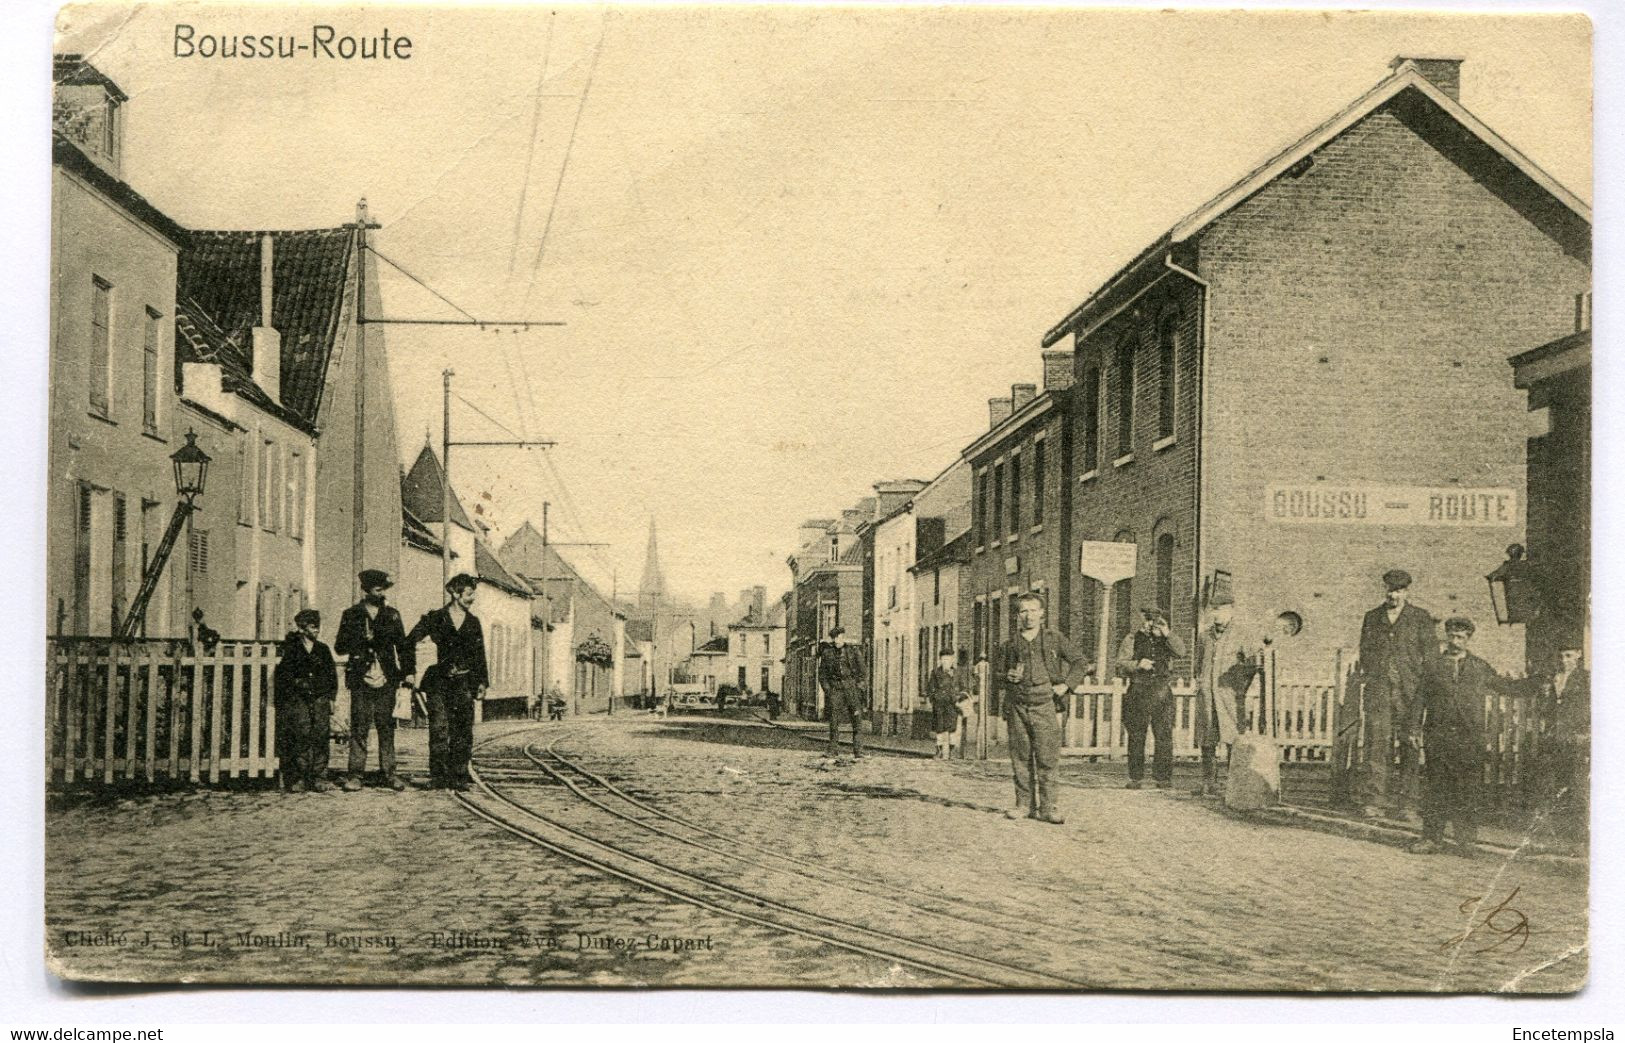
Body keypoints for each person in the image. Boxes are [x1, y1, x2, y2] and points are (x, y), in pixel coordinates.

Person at [997, 592, 1090, 824]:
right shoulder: (1010, 645)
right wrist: (1006, 676)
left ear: (1042, 614)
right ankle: (1023, 805)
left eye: (1033, 610)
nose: (1028, 616)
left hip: (1046, 705)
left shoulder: (1053, 639)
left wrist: (1066, 686)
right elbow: (996, 676)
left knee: (1048, 757)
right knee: (1020, 757)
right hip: (1017, 707)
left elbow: (1080, 662)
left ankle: (1048, 808)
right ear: (1018, 615)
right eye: (1023, 611)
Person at [1411, 617, 1496, 856]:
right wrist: (1413, 729)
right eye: (1452, 636)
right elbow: (1419, 699)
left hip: (1469, 739)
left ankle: (1466, 841)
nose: (1456, 641)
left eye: (1461, 637)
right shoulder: (1433, 665)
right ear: (1446, 637)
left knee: (1467, 790)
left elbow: (1504, 686)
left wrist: (1540, 681)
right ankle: (1431, 838)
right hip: (1438, 736)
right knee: (1436, 788)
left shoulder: (1480, 666)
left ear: (1468, 639)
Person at [1355, 568, 1435, 819]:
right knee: (1377, 745)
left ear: (1406, 591)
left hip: (1409, 694)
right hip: (1379, 692)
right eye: (1390, 589)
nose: (1393, 595)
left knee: (1410, 746)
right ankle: (1375, 801)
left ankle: (1408, 804)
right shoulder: (1372, 617)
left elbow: (1431, 657)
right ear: (1384, 589)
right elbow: (1365, 652)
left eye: (1399, 590)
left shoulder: (1420, 618)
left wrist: (1422, 687)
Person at [334, 569, 415, 792]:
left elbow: (404, 647)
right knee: (359, 728)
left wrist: (409, 672)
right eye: (378, 590)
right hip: (361, 679)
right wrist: (360, 639)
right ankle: (355, 775)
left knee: (386, 727)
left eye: (383, 590)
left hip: (387, 679)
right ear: (366, 590)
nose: (382, 594)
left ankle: (389, 774)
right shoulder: (351, 614)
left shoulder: (392, 615)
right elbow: (340, 647)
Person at [406, 573, 489, 791]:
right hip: (438, 683)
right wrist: (409, 671)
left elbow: (479, 655)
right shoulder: (435, 618)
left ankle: (459, 775)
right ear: (455, 592)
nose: (472, 599)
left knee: (462, 730)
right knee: (439, 729)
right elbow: (408, 642)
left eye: (473, 594)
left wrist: (481, 683)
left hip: (464, 683)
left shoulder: (473, 622)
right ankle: (439, 776)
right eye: (469, 594)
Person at [1193, 592, 1258, 796]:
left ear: (1231, 610)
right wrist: (1202, 683)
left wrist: (1239, 687)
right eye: (1213, 610)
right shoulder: (1205, 636)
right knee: (1207, 739)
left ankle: (1233, 784)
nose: (1216, 614)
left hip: (1230, 696)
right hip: (1207, 696)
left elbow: (1252, 666)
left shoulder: (1242, 635)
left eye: (1220, 610)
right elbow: (1198, 664)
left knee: (1233, 739)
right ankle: (1208, 782)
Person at [1116, 608, 1187, 790]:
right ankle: (1135, 777)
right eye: (1147, 620)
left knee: (1164, 735)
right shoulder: (1131, 639)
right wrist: (1138, 664)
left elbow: (1182, 652)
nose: (1150, 624)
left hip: (1161, 692)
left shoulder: (1166, 639)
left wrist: (1167, 632)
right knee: (1136, 735)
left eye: (1154, 620)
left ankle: (1163, 778)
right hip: (1138, 691)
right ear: (1141, 620)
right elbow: (1121, 664)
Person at [274, 609, 338, 793]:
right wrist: (296, 688)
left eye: (318, 626)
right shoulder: (292, 649)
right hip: (299, 700)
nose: (317, 630)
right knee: (300, 736)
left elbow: (332, 676)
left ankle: (319, 777)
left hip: (320, 699)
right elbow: (284, 676)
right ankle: (299, 777)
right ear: (302, 628)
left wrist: (331, 698)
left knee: (320, 735)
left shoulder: (323, 649)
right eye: (312, 626)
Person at [1535, 640, 1590, 840]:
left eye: (1568, 656)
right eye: (1561, 656)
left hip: (1575, 739)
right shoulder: (1553, 678)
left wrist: (1586, 732)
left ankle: (1578, 836)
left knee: (1576, 786)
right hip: (1554, 739)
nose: (1564, 660)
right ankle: (1557, 833)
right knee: (1554, 785)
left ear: (1578, 655)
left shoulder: (1586, 679)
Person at [816, 627, 867, 758]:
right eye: (837, 637)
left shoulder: (853, 651)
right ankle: (833, 749)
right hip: (836, 689)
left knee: (857, 719)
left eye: (841, 637)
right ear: (833, 639)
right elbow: (822, 675)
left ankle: (858, 750)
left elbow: (862, 672)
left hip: (851, 688)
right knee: (834, 720)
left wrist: (859, 688)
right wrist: (828, 690)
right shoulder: (827, 653)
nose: (839, 639)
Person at [925, 647, 969, 758]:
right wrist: (934, 698)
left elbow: (964, 688)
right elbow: (930, 688)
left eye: (948, 659)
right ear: (940, 660)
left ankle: (951, 751)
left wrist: (959, 697)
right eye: (944, 659)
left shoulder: (957, 673)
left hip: (952, 705)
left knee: (952, 729)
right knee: (939, 729)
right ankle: (939, 750)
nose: (946, 662)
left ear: (952, 660)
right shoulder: (935, 673)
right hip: (939, 705)